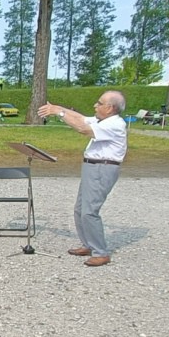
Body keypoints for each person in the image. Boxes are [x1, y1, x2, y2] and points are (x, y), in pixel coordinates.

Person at [37, 92, 128, 267]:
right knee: (80, 209)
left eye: (99, 103)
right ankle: (88, 244)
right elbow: (82, 119)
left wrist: (60, 113)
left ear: (109, 108)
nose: (95, 105)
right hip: (92, 166)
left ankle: (100, 252)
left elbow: (82, 128)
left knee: (89, 211)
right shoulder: (103, 120)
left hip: (103, 168)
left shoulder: (115, 124)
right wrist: (58, 108)